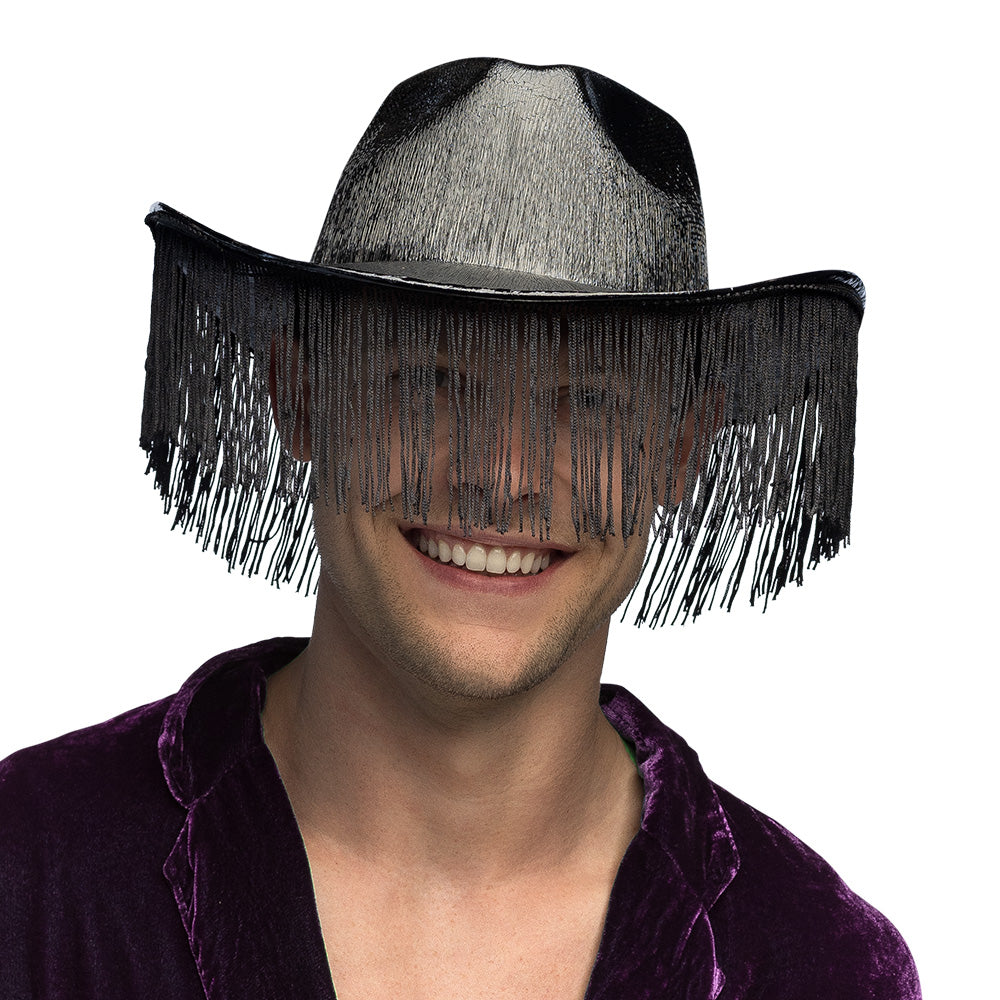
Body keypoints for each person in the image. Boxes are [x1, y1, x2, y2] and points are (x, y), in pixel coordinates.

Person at [0, 58, 919, 998]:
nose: (501, 476)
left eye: (586, 403)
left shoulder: (818, 967)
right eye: (431, 384)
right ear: (302, 396)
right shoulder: (27, 875)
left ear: (679, 451)